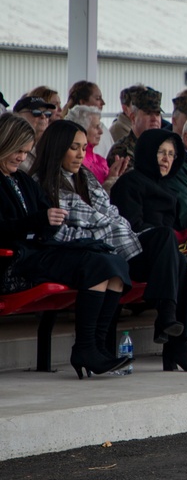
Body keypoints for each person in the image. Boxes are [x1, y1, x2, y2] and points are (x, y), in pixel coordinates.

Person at [31, 120, 187, 369]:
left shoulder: (86, 179)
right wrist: (104, 229)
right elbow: (116, 222)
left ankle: (174, 339)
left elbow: (111, 215)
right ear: (57, 147)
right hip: (100, 251)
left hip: (118, 248)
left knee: (179, 258)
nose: (81, 154)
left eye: (83, 148)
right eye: (74, 147)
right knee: (159, 241)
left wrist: (104, 228)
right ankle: (166, 328)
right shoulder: (45, 183)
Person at [0, 114, 132, 378]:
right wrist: (39, 220)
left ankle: (96, 345)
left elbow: (46, 218)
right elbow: (12, 226)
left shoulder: (22, 180)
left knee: (113, 262)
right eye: (17, 151)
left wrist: (50, 220)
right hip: (15, 261)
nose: (21, 158)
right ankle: (85, 348)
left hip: (39, 251)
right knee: (97, 264)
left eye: (25, 152)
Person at [109, 129, 187, 370]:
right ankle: (167, 319)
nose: (167, 159)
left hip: (161, 261)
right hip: (131, 255)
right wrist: (160, 239)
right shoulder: (129, 182)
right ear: (146, 153)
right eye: (161, 153)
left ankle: (178, 345)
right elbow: (128, 227)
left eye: (171, 154)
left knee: (181, 260)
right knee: (167, 238)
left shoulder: (168, 190)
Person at [65, 104, 127, 190]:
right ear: (82, 129)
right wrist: (110, 180)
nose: (101, 132)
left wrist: (115, 177)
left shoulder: (100, 160)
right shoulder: (76, 160)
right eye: (96, 127)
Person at [107, 87, 163, 175]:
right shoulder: (122, 150)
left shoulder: (164, 147)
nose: (155, 119)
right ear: (133, 118)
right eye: (148, 113)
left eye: (157, 113)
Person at [12, 95, 56, 171]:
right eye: (36, 112)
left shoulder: (51, 146)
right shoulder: (9, 146)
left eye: (47, 113)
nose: (43, 116)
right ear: (18, 115)